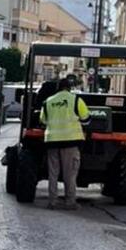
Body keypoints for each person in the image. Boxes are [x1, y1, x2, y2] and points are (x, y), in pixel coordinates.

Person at [39, 76, 90, 209]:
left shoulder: (48, 101)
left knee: (53, 173)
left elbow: (43, 121)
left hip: (52, 142)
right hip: (70, 142)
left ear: (57, 89)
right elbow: (86, 119)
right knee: (70, 174)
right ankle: (70, 202)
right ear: (70, 88)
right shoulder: (76, 100)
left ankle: (52, 201)